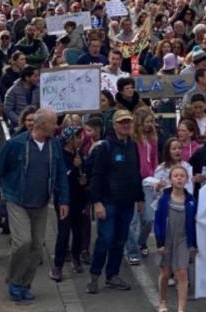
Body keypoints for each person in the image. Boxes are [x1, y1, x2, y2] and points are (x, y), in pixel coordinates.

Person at [0, 108, 69, 302]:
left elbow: (61, 174)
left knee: (37, 246)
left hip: (40, 201)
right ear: (42, 125)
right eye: (53, 123)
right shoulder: (16, 144)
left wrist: (63, 200)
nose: (56, 127)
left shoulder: (54, 146)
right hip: (17, 199)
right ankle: (14, 281)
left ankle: (25, 283)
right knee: (23, 241)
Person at [87, 110, 145, 295]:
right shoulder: (105, 147)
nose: (125, 125)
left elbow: (136, 174)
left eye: (128, 121)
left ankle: (112, 275)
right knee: (105, 239)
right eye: (122, 122)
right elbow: (97, 176)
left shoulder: (133, 146)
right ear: (114, 125)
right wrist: (97, 202)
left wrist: (140, 198)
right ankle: (94, 276)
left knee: (119, 241)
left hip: (127, 203)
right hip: (108, 202)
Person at [154, 166, 198, 312]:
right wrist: (159, 242)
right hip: (167, 239)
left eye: (182, 176)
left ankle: (181, 311)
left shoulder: (192, 200)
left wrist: (193, 243)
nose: (179, 178)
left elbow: (194, 223)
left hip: (182, 240)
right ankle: (163, 300)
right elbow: (158, 221)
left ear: (186, 179)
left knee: (182, 273)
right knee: (165, 273)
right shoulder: (164, 199)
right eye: (176, 176)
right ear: (170, 179)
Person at [51, 126, 87, 281]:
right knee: (64, 233)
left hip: (79, 198)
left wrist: (84, 179)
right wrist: (74, 167)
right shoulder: (61, 156)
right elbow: (61, 177)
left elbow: (84, 176)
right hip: (64, 200)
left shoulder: (81, 155)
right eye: (77, 137)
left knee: (78, 231)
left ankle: (76, 257)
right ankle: (57, 265)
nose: (80, 140)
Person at [125, 109, 161, 264]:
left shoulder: (152, 138)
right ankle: (131, 250)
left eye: (151, 121)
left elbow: (154, 159)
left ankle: (141, 241)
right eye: (147, 121)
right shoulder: (132, 139)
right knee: (132, 220)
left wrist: (155, 177)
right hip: (133, 182)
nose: (150, 125)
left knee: (147, 218)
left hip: (148, 182)